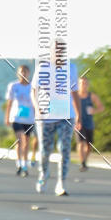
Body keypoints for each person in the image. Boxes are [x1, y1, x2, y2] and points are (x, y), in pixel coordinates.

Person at [32, 41, 79, 196]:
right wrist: (37, 106)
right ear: (51, 52)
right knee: (45, 151)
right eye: (56, 51)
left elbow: (75, 93)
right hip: (46, 116)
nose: (59, 54)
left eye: (62, 51)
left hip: (66, 116)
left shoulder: (71, 68)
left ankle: (61, 183)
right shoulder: (43, 68)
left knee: (64, 149)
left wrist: (78, 115)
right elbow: (33, 91)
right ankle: (43, 174)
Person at [5, 65, 35, 176]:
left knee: (26, 143)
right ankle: (19, 164)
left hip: (29, 118)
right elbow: (9, 102)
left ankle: (24, 164)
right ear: (18, 73)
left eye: (26, 72)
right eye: (21, 72)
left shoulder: (32, 86)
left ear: (29, 73)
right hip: (16, 118)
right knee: (20, 140)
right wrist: (7, 117)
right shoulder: (13, 86)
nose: (24, 74)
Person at [76, 76, 103, 170]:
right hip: (78, 123)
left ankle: (84, 161)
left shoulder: (92, 96)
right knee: (81, 143)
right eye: (82, 83)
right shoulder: (74, 97)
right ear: (78, 85)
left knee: (89, 145)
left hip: (89, 123)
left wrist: (94, 111)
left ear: (88, 85)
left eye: (85, 83)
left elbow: (101, 107)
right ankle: (82, 163)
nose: (84, 85)